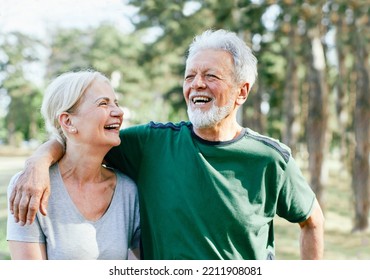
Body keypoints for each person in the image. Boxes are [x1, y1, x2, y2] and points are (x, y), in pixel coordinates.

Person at [9, 29, 324, 260]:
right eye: (190, 76)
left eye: (210, 76)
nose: (196, 84)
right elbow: (81, 143)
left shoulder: (269, 158)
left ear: (242, 92)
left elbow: (312, 222)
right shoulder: (150, 144)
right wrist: (37, 162)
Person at [7, 70, 141, 260]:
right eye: (103, 103)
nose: (118, 112)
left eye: (116, 103)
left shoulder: (128, 191)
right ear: (68, 121)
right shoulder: (29, 188)